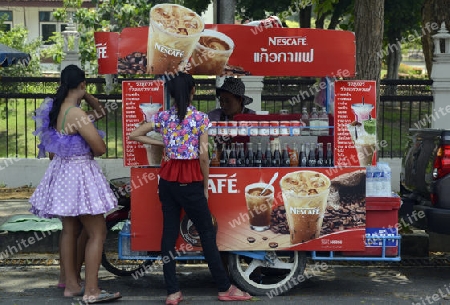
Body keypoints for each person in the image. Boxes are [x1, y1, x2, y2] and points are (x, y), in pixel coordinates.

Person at [129, 72, 252, 305]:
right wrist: (205, 186)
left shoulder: (163, 117)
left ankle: (172, 292)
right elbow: (204, 157)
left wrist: (162, 141)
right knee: (206, 232)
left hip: (167, 180)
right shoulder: (200, 118)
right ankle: (224, 287)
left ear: (172, 94)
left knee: (169, 233)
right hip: (190, 179)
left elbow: (135, 134)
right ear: (193, 91)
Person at [29, 65, 121, 303]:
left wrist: (84, 93)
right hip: (79, 174)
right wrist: (84, 92)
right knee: (97, 232)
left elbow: (100, 113)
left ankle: (70, 284)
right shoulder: (77, 115)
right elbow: (99, 149)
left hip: (62, 173)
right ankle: (92, 290)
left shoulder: (57, 108)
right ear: (81, 83)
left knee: (69, 230)